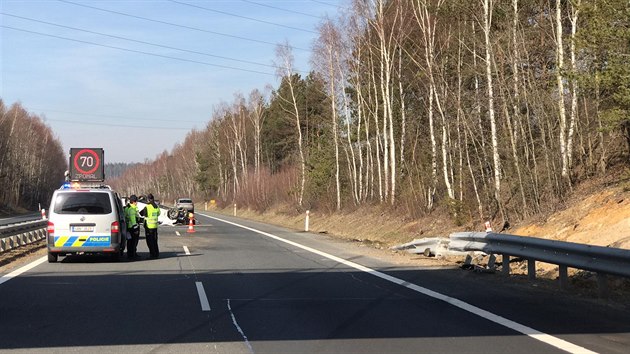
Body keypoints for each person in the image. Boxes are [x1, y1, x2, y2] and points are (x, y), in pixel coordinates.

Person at [140, 193, 161, 259]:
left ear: (148, 200)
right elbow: (159, 213)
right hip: (155, 226)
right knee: (155, 241)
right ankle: (156, 253)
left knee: (150, 241)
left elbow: (142, 213)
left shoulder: (147, 207)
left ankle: (152, 254)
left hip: (149, 226)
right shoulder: (156, 206)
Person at [125, 195, 141, 259]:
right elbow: (133, 220)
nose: (137, 203)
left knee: (130, 241)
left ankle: (130, 253)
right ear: (134, 202)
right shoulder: (132, 209)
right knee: (134, 241)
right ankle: (132, 254)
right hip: (133, 227)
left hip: (128, 227)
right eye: (136, 201)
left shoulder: (127, 207)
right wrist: (136, 229)